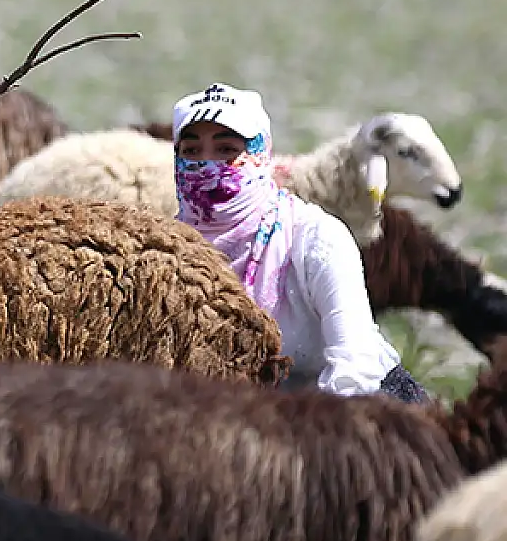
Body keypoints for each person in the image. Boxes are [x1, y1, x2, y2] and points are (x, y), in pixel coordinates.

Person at [170, 82, 430, 403]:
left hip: (347, 414)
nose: (208, 165)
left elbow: (355, 364)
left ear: (260, 154)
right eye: (192, 151)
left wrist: (296, 439)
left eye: (226, 150)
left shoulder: (313, 238)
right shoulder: (169, 251)